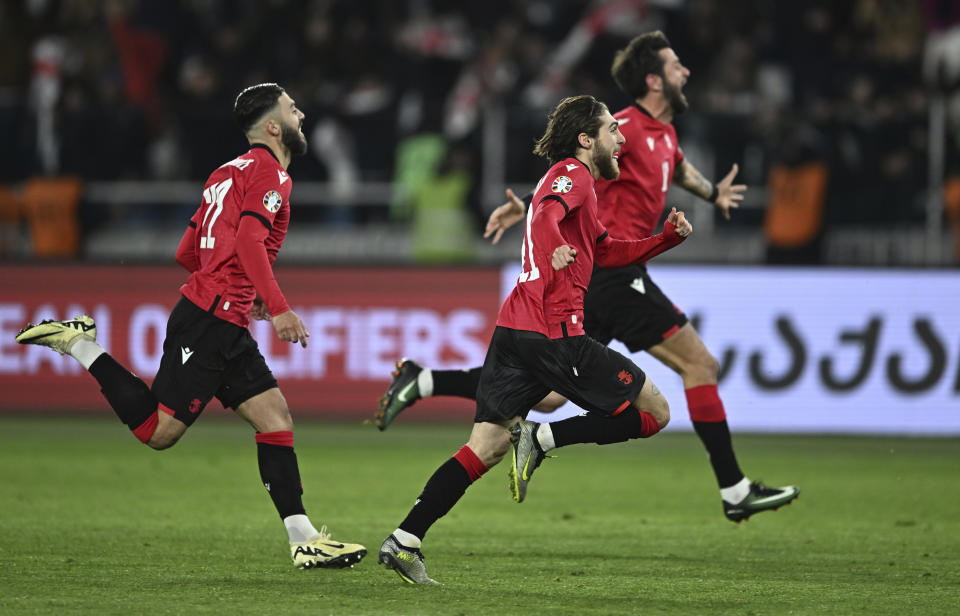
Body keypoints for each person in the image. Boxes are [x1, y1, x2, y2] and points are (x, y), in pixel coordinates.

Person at [375, 31, 799, 523]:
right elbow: (568, 181)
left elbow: (676, 172)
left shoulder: (665, 137)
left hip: (597, 277)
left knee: (549, 395)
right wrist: (539, 218)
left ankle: (424, 387)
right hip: (610, 278)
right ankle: (733, 489)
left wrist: (709, 198)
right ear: (653, 79)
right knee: (695, 368)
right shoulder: (621, 128)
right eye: (676, 65)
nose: (686, 71)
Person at [16, 83, 366, 570]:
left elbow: (188, 252)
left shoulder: (224, 173)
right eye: (292, 108)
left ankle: (303, 539)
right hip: (209, 322)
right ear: (272, 126)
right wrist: (277, 305)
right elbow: (247, 241)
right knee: (157, 432)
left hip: (224, 318)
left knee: (275, 419)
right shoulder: (272, 173)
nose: (301, 113)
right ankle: (78, 343)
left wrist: (243, 296)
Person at [378, 94, 691, 584]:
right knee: (655, 413)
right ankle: (545, 438)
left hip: (514, 331)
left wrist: (665, 240)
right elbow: (545, 213)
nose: (621, 137)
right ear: (587, 140)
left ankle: (404, 539)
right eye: (612, 130)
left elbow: (606, 250)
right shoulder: (576, 174)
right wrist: (556, 248)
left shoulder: (577, 184)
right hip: (555, 333)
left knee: (484, 447)